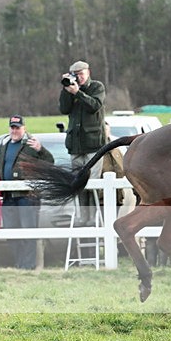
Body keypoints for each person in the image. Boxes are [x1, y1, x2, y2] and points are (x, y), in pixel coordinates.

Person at [0, 115, 54, 270]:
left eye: (18, 128)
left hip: (27, 196)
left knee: (28, 232)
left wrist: (41, 150)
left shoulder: (30, 145)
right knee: (11, 233)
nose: (15, 130)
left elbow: (49, 162)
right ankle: (20, 262)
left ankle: (28, 265)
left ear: (24, 128)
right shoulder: (4, 145)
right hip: (8, 196)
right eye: (12, 127)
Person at [59, 60, 106, 226]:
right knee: (78, 183)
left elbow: (94, 106)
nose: (78, 77)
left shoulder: (97, 87)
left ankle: (94, 218)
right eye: (76, 74)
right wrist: (66, 90)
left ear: (88, 72)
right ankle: (83, 217)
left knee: (92, 184)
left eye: (81, 74)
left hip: (93, 145)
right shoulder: (70, 88)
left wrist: (78, 92)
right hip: (76, 145)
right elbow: (64, 109)